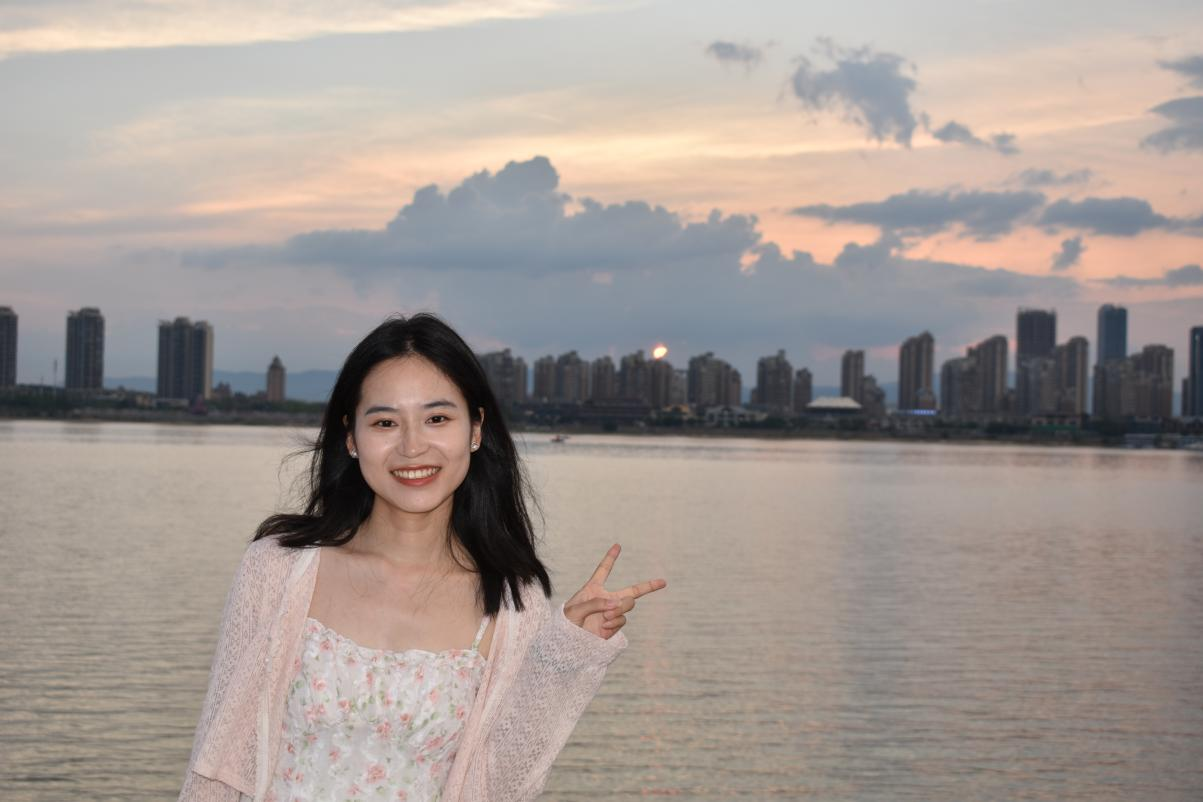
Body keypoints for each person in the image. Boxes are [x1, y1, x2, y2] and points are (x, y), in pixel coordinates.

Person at [178, 314, 666, 802]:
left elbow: (501, 787)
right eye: (385, 423)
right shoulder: (278, 569)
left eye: (437, 419)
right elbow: (215, 766)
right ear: (351, 437)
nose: (412, 447)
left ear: (475, 428)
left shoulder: (513, 602)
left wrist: (566, 653)